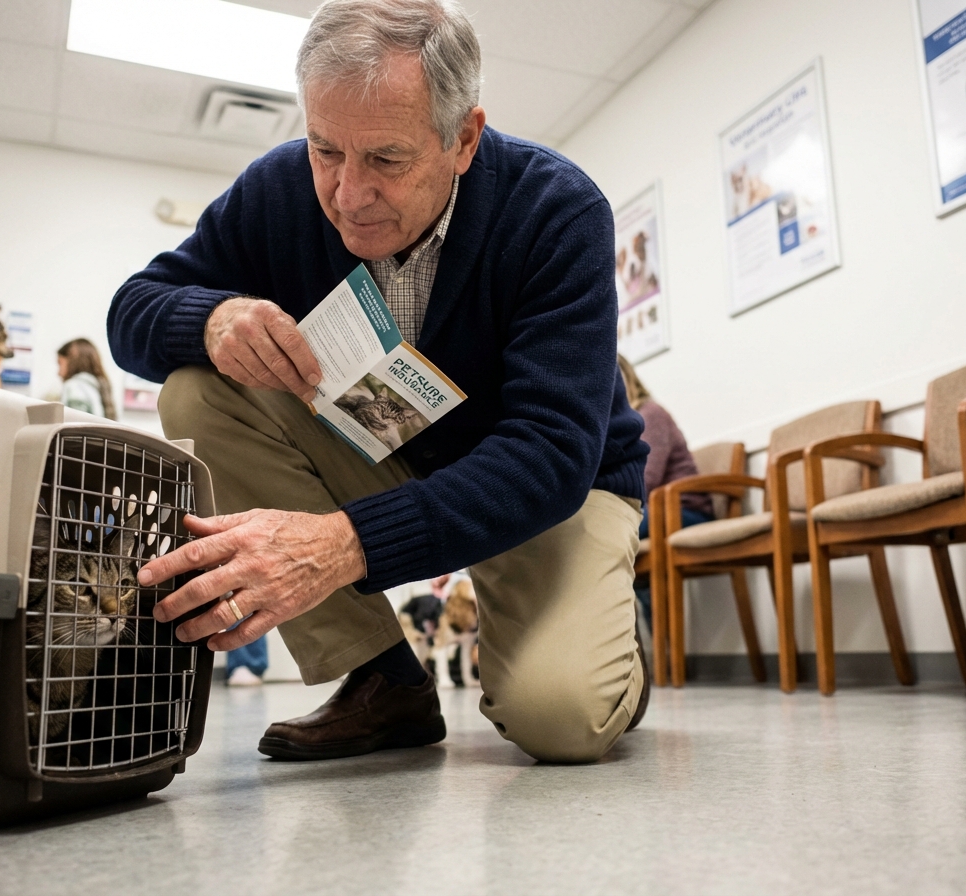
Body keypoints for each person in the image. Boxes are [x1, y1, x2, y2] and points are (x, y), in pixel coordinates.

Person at [108, 0, 649, 764]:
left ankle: (615, 644)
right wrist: (211, 320)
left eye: (387, 160)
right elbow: (130, 309)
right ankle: (383, 680)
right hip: (393, 452)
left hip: (554, 488)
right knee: (197, 390)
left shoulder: (557, 210)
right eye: (325, 149)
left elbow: (552, 453)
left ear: (464, 139)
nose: (347, 194)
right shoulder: (279, 189)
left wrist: (341, 545)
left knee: (560, 717)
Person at [617, 355, 713, 630]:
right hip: (654, 512)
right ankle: (657, 643)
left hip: (684, 509)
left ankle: (658, 643)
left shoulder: (650, 414)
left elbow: (646, 480)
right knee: (614, 535)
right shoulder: (624, 426)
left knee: (609, 532)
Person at [57, 338, 117, 419]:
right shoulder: (100, 386)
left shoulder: (74, 386)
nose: (58, 373)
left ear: (72, 361)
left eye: (60, 363)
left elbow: (76, 424)